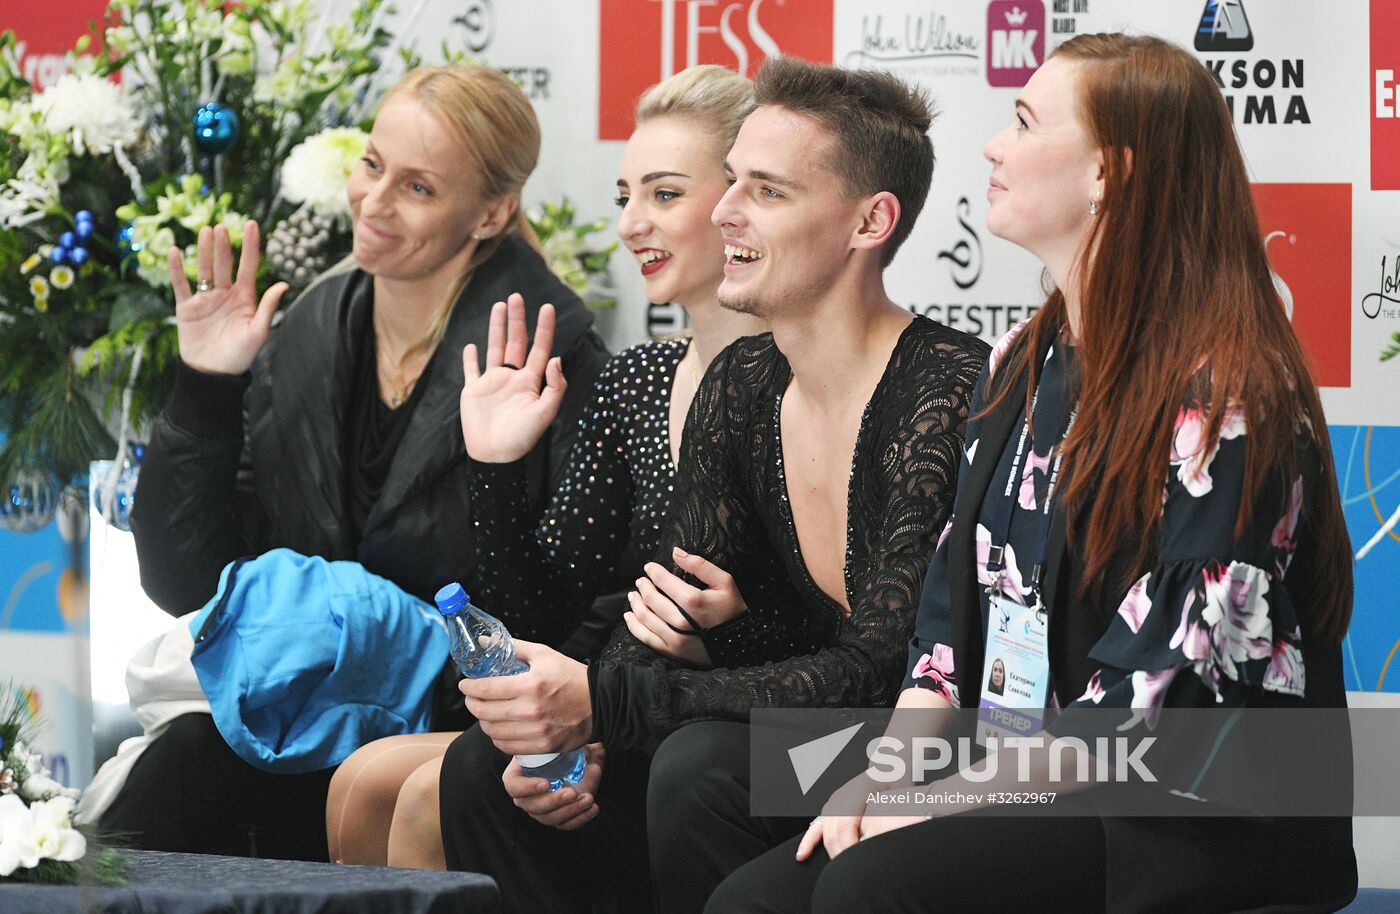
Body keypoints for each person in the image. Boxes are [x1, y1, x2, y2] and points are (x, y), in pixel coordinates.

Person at [709, 33, 1357, 913]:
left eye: (1022, 121)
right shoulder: (1023, 355)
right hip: (1024, 768)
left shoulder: (1229, 390)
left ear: (1109, 175)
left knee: (871, 888)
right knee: (751, 891)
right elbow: (943, 624)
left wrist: (934, 801)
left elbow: (1146, 710)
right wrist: (892, 774)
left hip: (1182, 813)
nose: (992, 145)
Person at [438, 56, 990, 913]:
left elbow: (884, 667)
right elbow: (660, 611)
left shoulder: (948, 390)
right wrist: (586, 734)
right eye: (729, 182)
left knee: (699, 767)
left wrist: (606, 700)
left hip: (938, 748)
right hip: (803, 726)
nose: (725, 211)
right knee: (490, 769)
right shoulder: (741, 383)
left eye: (765, 191)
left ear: (870, 221)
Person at [100, 64, 610, 862]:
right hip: (307, 711)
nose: (372, 203)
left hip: (459, 727)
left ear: (491, 214)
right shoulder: (304, 332)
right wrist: (205, 385)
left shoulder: (555, 362)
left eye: (416, 188)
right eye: (372, 166)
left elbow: (565, 621)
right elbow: (186, 585)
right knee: (171, 774)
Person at [324, 64, 767, 869]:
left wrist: (598, 713)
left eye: (664, 196)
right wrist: (494, 464)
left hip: (727, 735)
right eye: (625, 196)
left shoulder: (812, 382)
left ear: (748, 201)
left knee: (440, 785)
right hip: (623, 707)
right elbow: (545, 613)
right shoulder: (640, 378)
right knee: (360, 784)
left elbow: (860, 656)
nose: (633, 223)